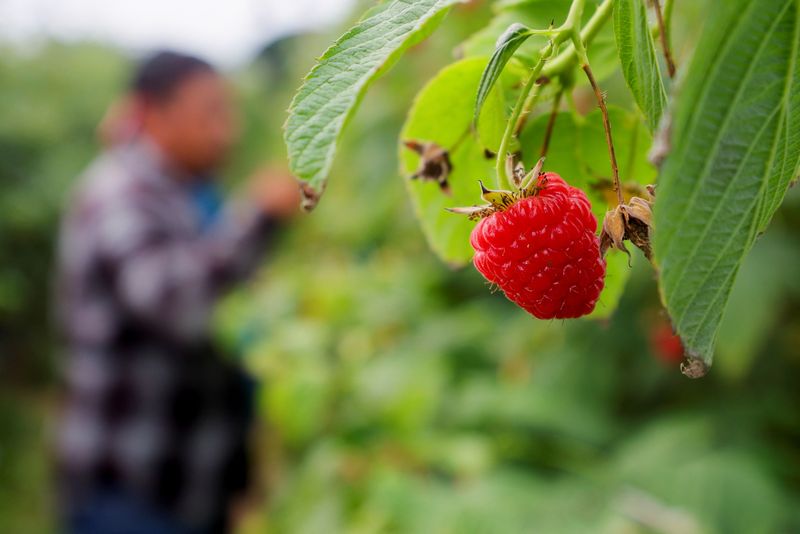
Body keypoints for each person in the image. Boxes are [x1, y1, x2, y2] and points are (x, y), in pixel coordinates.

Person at [55, 51, 300, 533]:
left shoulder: (184, 191)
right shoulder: (118, 195)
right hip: (130, 493)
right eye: (209, 112)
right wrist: (258, 215)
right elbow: (180, 305)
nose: (226, 130)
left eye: (227, 113)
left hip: (188, 489)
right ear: (153, 113)